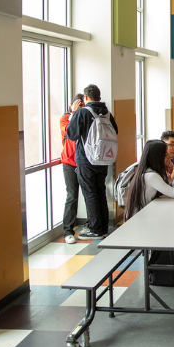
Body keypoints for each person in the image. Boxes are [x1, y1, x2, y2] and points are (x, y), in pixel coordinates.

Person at [65, 84, 119, 239]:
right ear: (100, 98)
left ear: (85, 98)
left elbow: (71, 134)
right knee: (100, 191)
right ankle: (103, 227)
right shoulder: (107, 113)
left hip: (86, 159)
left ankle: (95, 229)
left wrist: (74, 113)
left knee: (90, 193)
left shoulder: (81, 112)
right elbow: (115, 131)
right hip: (103, 158)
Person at [123, 139, 174, 221]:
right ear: (157, 157)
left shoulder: (153, 172)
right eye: (165, 155)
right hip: (140, 218)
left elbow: (170, 186)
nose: (168, 158)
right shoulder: (151, 176)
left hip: (148, 213)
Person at [59, 94, 84, 244]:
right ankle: (68, 231)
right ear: (71, 105)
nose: (80, 109)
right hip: (69, 162)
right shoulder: (65, 118)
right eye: (77, 106)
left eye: (82, 106)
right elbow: (70, 132)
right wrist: (74, 113)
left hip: (84, 162)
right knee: (71, 195)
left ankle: (90, 225)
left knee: (89, 194)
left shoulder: (86, 118)